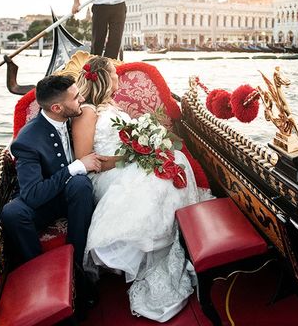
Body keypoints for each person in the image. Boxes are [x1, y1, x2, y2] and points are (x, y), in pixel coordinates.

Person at [72, 56, 210, 322]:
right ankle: (153, 250)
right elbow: (85, 159)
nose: (118, 78)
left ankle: (179, 240)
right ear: (103, 78)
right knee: (155, 181)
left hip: (128, 163)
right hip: (106, 173)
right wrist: (130, 157)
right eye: (114, 74)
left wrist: (143, 148)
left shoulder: (110, 105)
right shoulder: (87, 112)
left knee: (175, 162)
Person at [1, 75, 109, 268]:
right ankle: (38, 270)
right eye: (76, 98)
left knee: (80, 184)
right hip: (45, 200)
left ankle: (77, 266)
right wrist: (75, 167)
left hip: (76, 197)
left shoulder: (73, 118)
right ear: (57, 108)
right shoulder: (27, 140)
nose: (82, 100)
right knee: (12, 212)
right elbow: (32, 195)